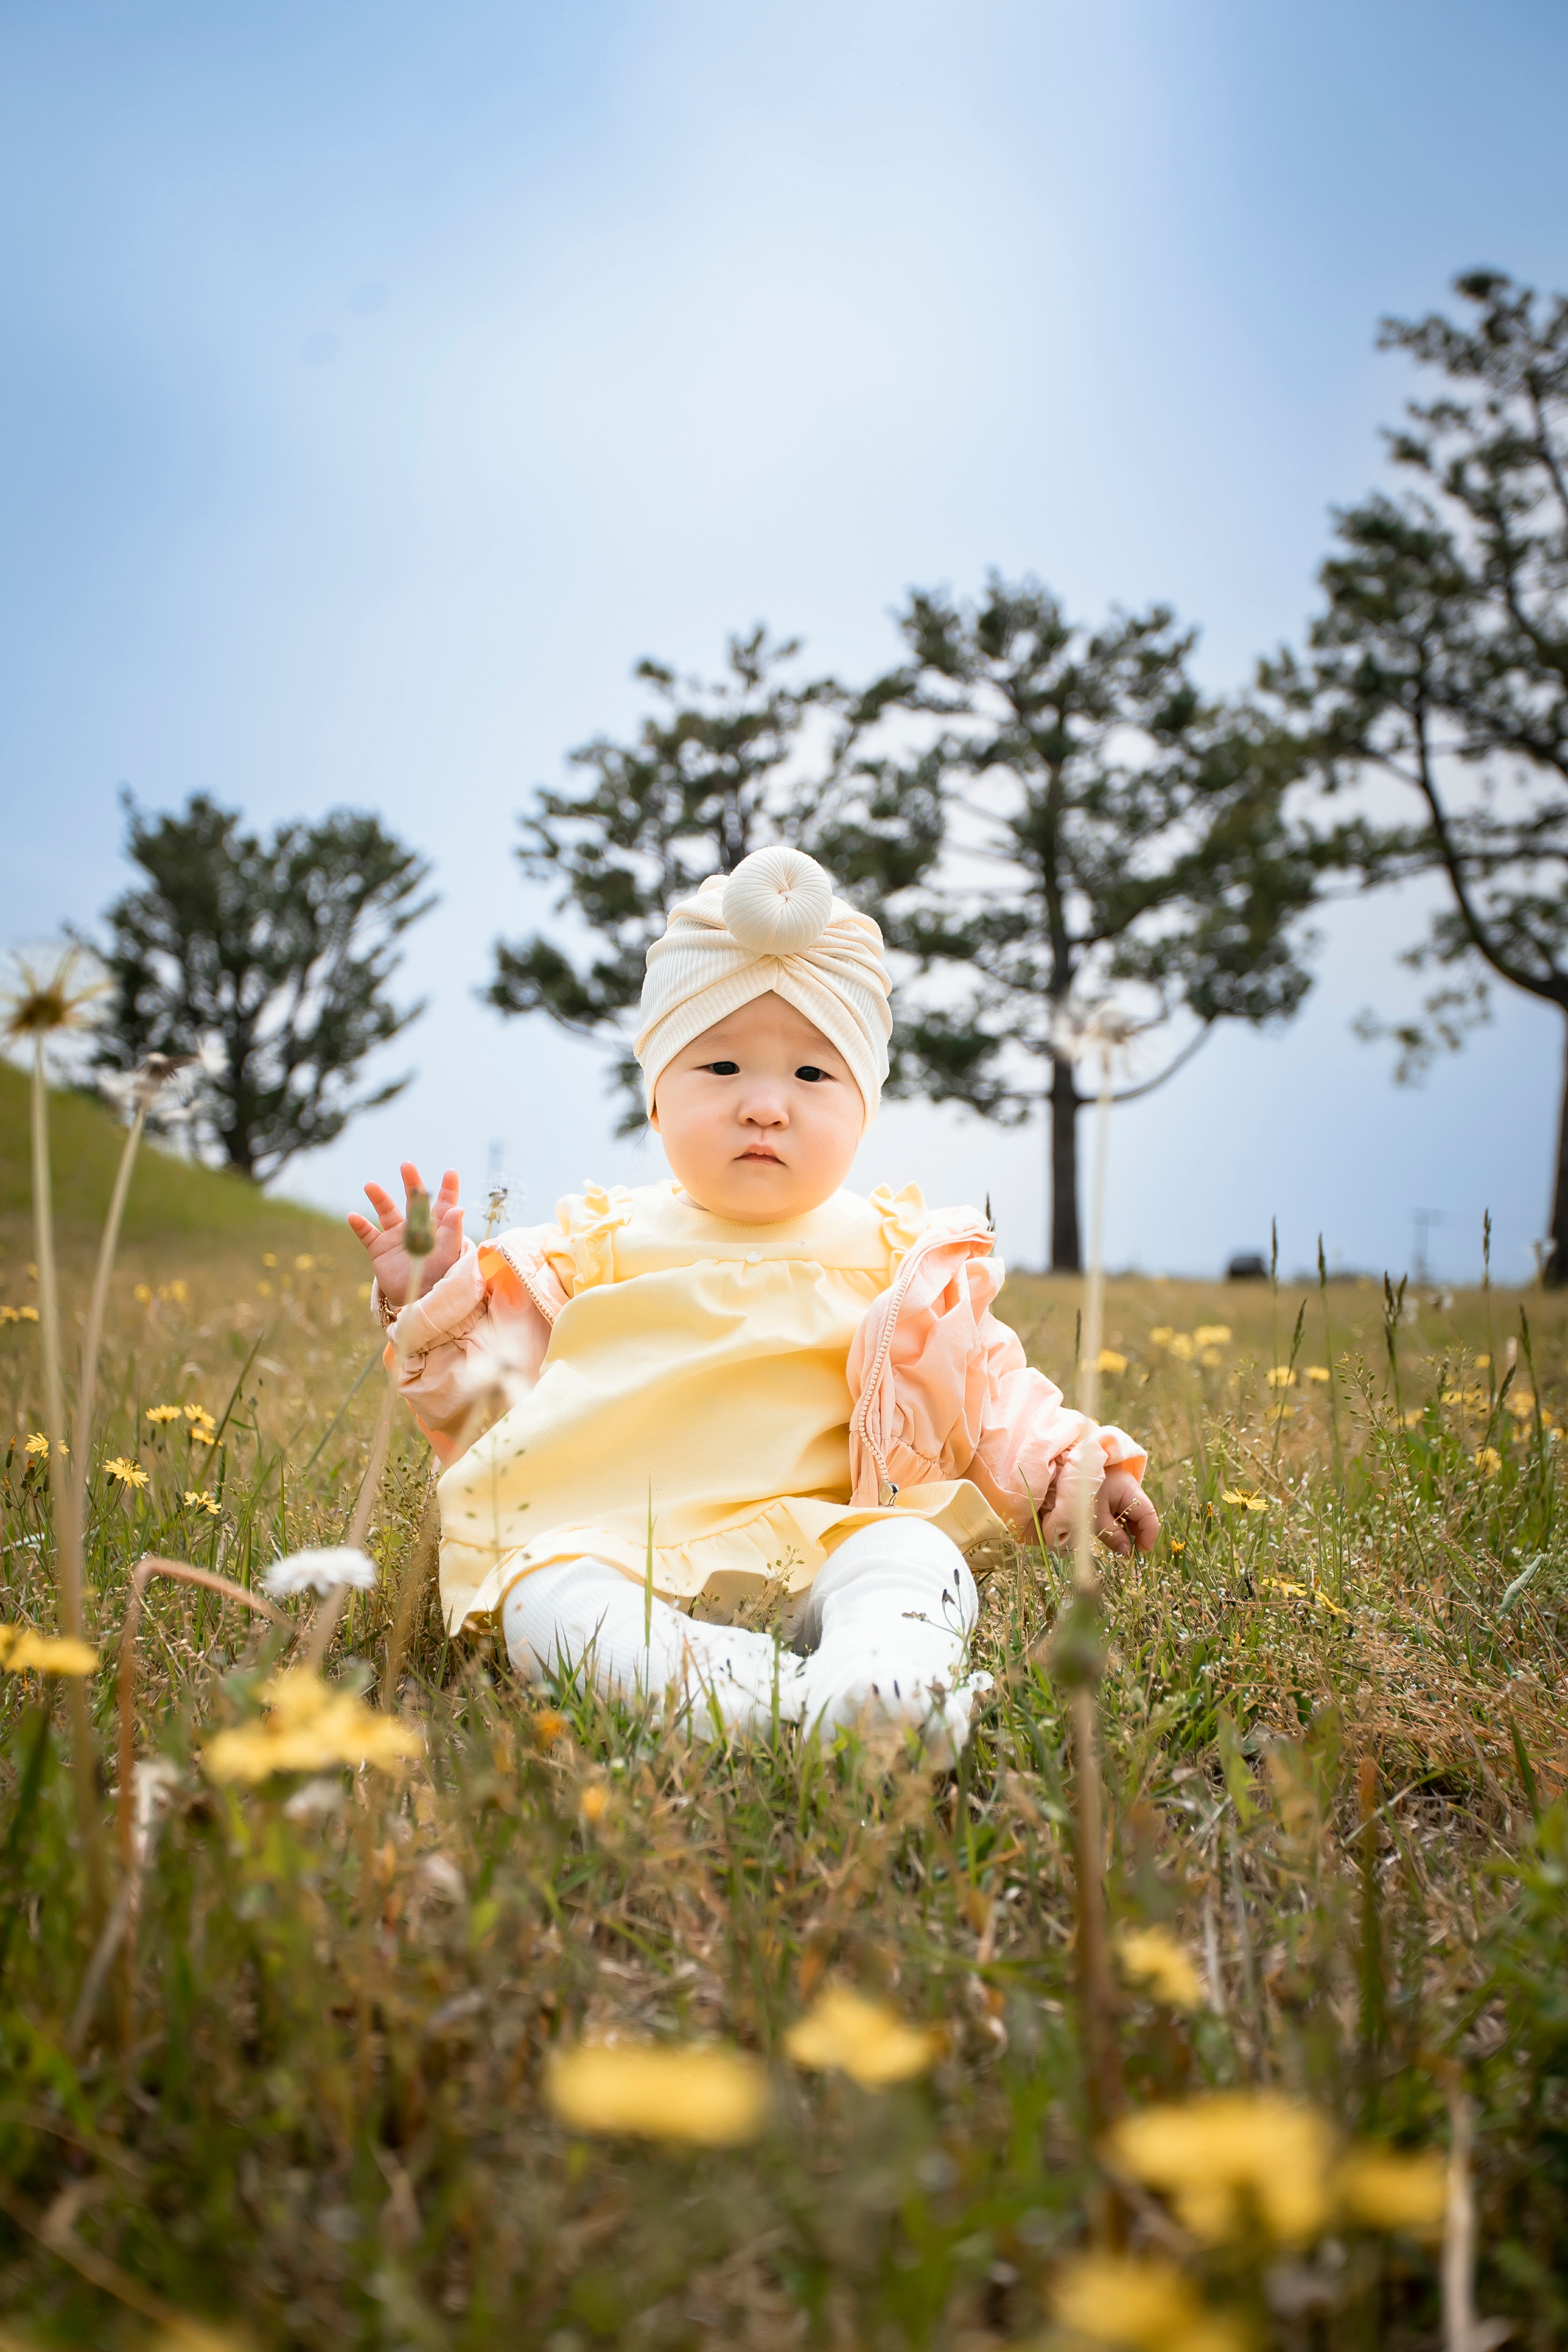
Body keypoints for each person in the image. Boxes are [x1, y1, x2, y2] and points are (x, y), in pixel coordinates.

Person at [349, 846, 1156, 1757]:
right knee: (548, 1605)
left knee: (916, 1560)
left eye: (813, 1076)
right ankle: (769, 1708)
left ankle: (883, 1679)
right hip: (620, 1550)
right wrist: (433, 1300)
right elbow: (489, 1399)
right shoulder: (590, 1247)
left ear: (864, 1110)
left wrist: (1075, 1470)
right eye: (722, 1069)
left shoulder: (900, 1256)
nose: (766, 1106)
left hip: (828, 1540)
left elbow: (994, 1390)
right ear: (657, 1101)